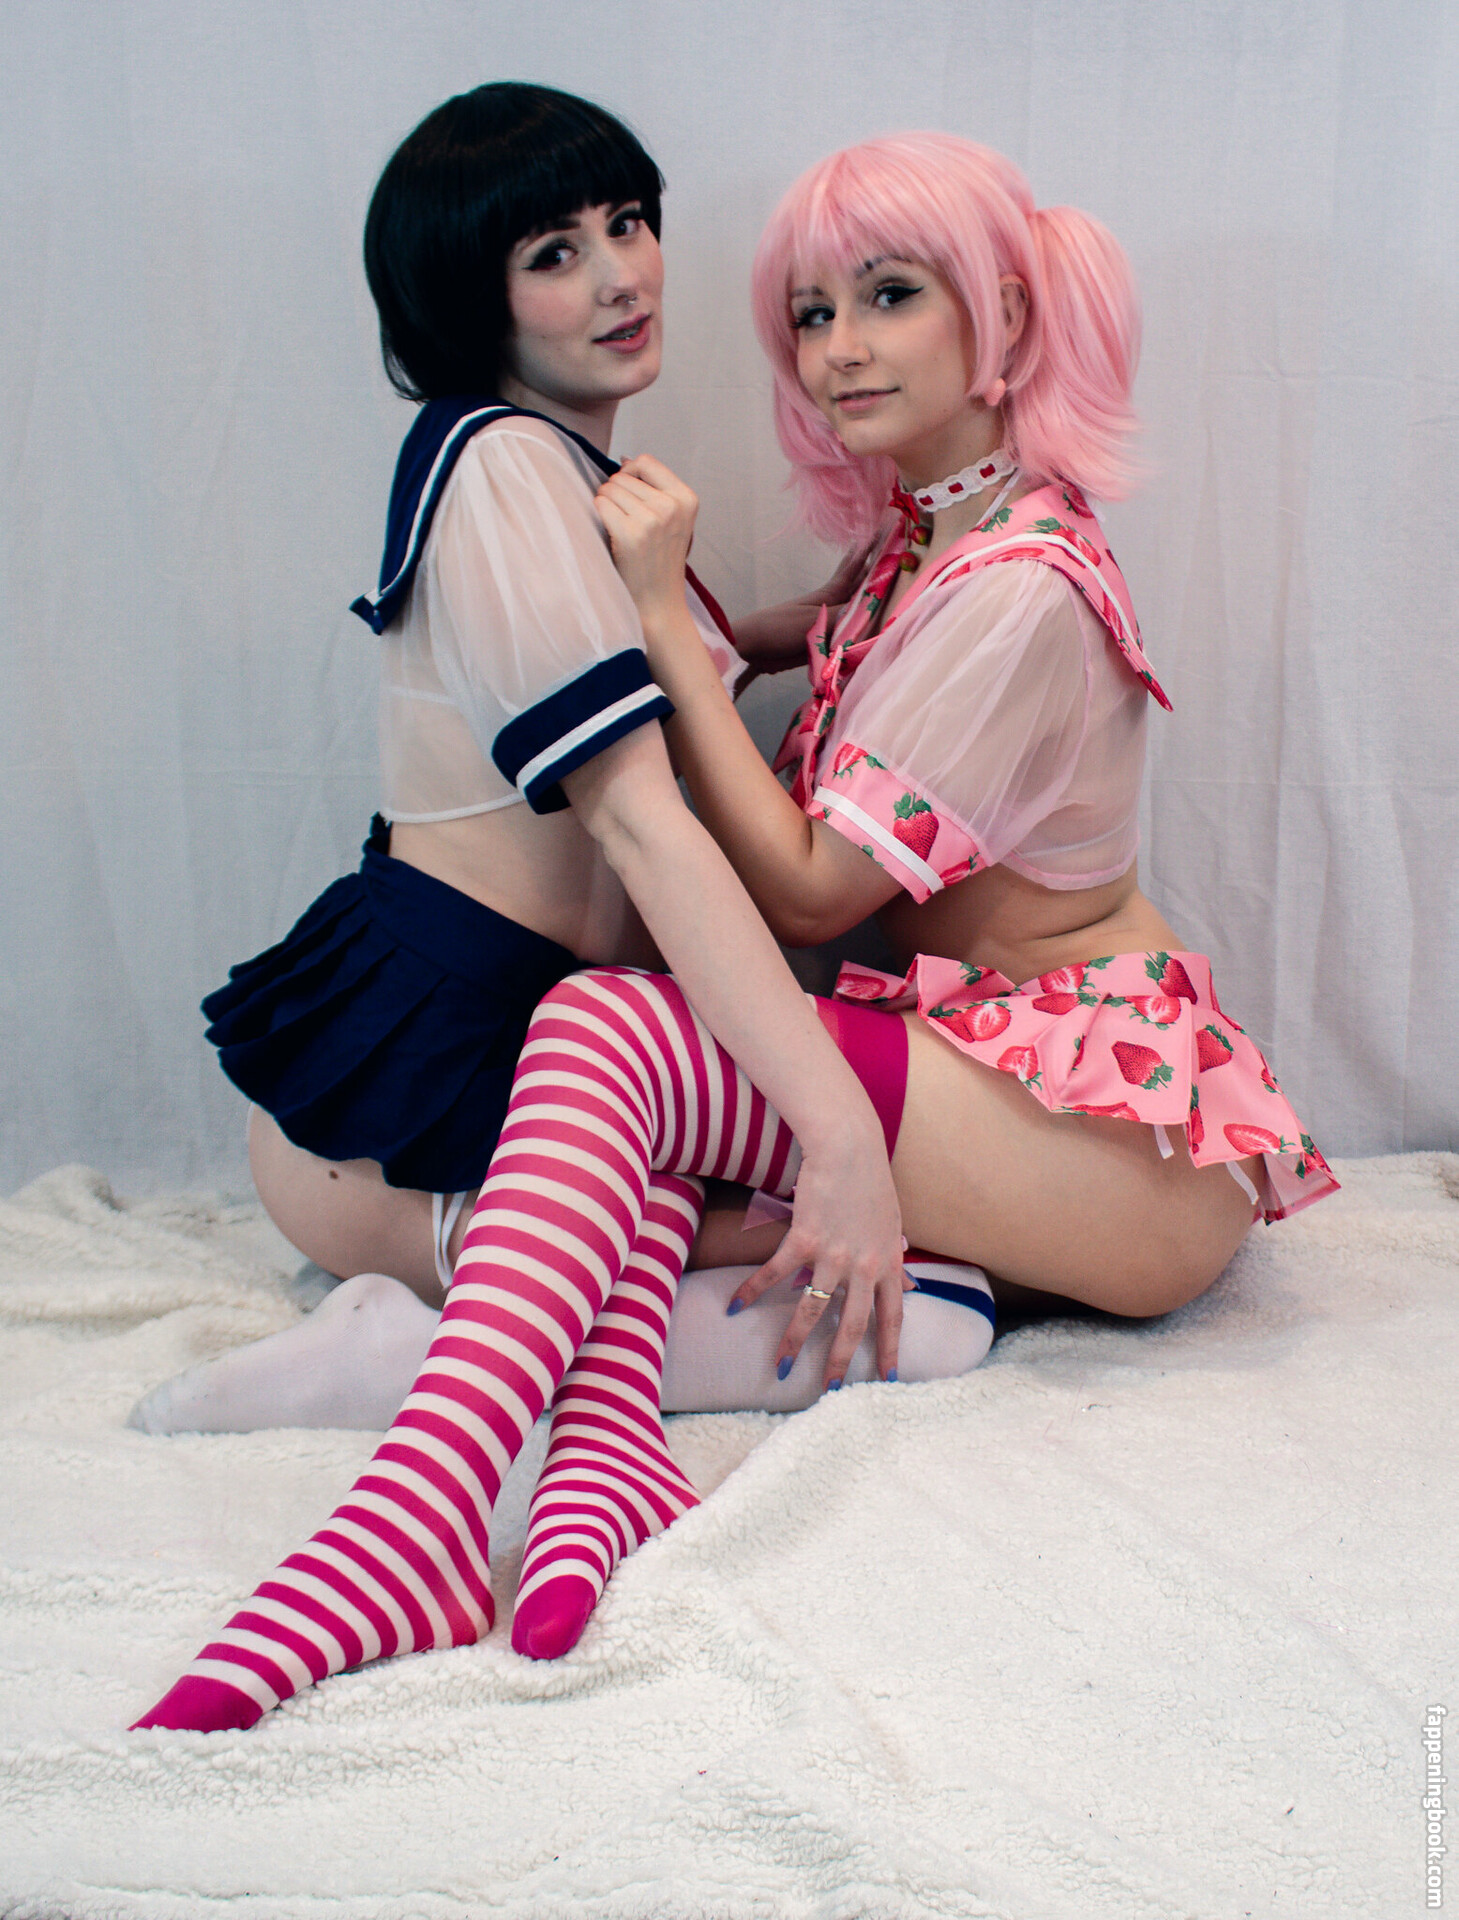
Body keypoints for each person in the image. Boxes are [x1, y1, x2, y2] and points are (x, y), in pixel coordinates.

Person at [129, 101, 1000, 1731]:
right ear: (474, 297)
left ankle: (486, 1408)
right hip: (427, 1086)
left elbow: (662, 661)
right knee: (915, 1274)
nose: (617, 276)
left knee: (902, 1262)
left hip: (532, 1051)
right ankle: (431, 1440)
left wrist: (837, 609)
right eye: (554, 252)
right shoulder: (501, 467)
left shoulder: (572, 475)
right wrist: (836, 1136)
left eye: (627, 224)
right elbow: (647, 828)